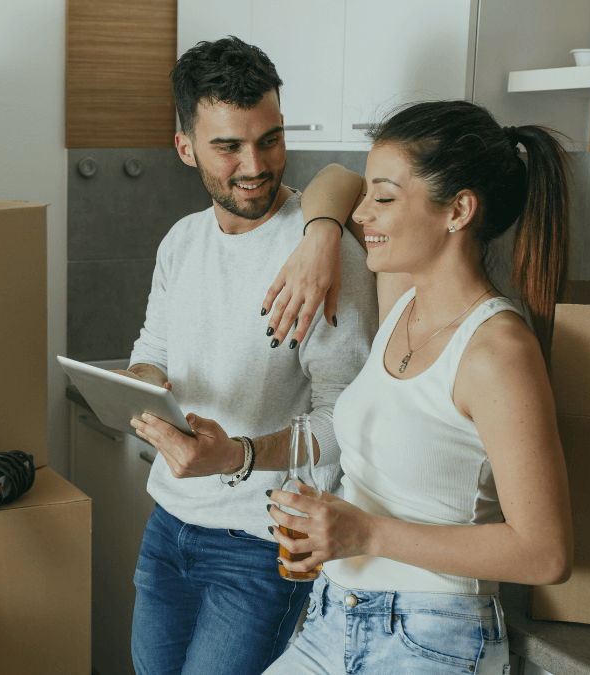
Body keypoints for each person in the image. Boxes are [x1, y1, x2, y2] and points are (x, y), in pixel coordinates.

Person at [263, 101, 574, 675]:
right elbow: (336, 182)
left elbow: (546, 553)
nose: (362, 214)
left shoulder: (496, 352)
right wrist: (320, 238)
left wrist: (365, 532)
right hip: (331, 615)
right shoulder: (402, 298)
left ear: (458, 210)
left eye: (383, 200)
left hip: (429, 638)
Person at [121, 37, 378, 675]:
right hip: (170, 522)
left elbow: (343, 422)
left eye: (270, 139)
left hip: (262, 540)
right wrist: (139, 390)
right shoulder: (180, 242)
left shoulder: (324, 251)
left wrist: (233, 457)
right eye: (228, 146)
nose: (255, 165)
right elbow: (154, 350)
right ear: (185, 148)